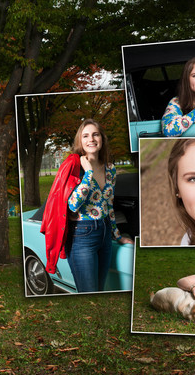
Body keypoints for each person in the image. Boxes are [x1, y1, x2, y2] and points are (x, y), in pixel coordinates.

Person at [40, 119, 133, 292]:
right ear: (80, 142)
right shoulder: (74, 168)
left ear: (102, 139)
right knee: (88, 292)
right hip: (81, 236)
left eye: (95, 134)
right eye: (86, 136)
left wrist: (117, 235)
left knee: (99, 289)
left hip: (104, 232)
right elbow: (73, 205)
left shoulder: (110, 169)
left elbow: (109, 206)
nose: (91, 139)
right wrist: (88, 173)